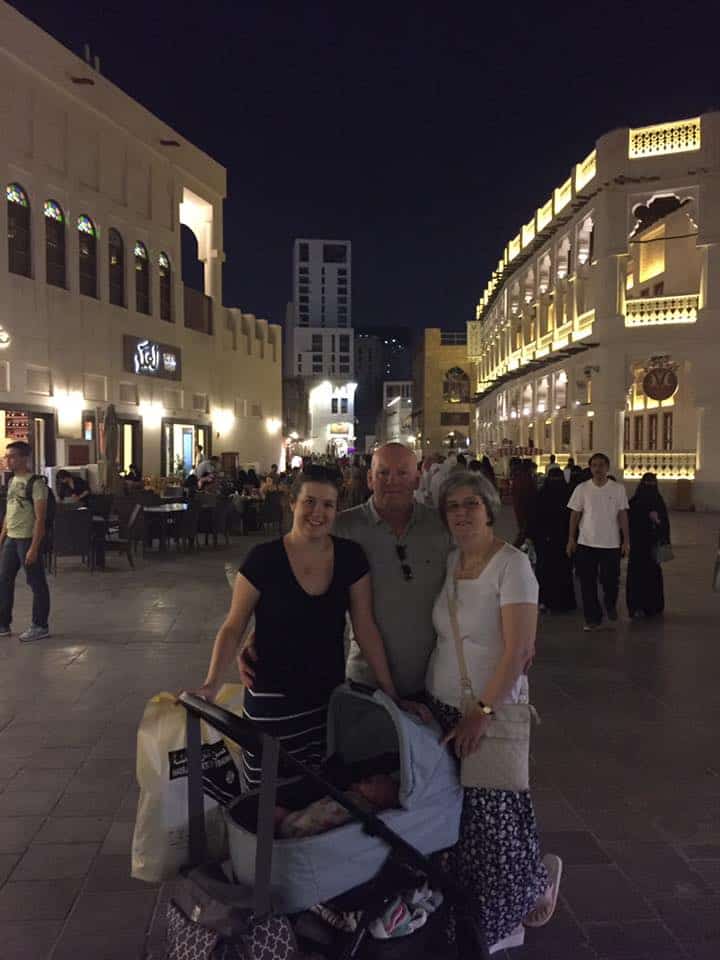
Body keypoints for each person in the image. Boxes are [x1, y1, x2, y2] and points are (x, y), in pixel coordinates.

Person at [190, 465, 425, 789]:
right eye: (310, 502)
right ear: (292, 503)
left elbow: (365, 626)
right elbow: (234, 626)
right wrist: (211, 684)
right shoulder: (264, 559)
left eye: (328, 504)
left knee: (317, 794)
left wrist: (389, 690)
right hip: (271, 701)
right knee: (268, 799)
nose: (318, 512)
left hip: (325, 702)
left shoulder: (350, 557)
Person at [425, 471, 562, 948]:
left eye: (471, 504)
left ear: (489, 509)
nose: (462, 513)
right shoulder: (451, 562)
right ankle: (510, 891)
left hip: (488, 711)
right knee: (467, 823)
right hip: (442, 707)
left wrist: (481, 711)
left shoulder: (512, 565)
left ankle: (506, 918)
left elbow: (520, 650)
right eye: (453, 507)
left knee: (495, 822)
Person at [240, 443, 449, 702]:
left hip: (436, 679)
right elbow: (292, 576)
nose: (392, 481)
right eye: (383, 473)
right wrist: (259, 636)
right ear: (370, 479)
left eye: (402, 473)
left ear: (418, 478)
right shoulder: (342, 527)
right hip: (365, 680)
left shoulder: (442, 527)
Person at [567, 453, 630, 631]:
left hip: (610, 544)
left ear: (607, 467)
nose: (598, 468)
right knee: (587, 583)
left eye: (601, 465)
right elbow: (575, 514)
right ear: (590, 468)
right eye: (594, 465)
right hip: (586, 543)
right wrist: (571, 538)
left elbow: (623, 515)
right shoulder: (582, 489)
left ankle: (609, 605)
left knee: (610, 581)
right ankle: (592, 618)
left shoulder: (618, 489)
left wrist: (626, 540)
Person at [0, 441, 51, 642]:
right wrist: (3, 536)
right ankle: (3, 623)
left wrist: (34, 547)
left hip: (27, 539)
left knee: (36, 582)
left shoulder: (36, 483)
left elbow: (41, 518)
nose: (7, 460)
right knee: (4, 580)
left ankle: (40, 625)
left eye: (11, 456)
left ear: (23, 458)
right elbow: (9, 511)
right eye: (7, 456)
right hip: (11, 539)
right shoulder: (12, 481)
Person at [530, 467, 576, 613]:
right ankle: (563, 602)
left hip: (547, 541)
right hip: (560, 539)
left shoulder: (541, 495)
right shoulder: (568, 494)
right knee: (562, 570)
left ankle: (545, 600)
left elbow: (533, 519)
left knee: (546, 570)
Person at [626, 473, 670, 619]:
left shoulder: (635, 501)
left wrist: (657, 521)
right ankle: (647, 606)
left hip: (644, 546)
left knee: (641, 575)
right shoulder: (653, 501)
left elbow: (664, 523)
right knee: (648, 575)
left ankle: (644, 606)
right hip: (644, 545)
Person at [511, 460, 537, 548]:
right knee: (524, 530)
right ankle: (515, 548)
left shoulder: (518, 476)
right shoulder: (526, 477)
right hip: (525, 507)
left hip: (519, 506)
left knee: (523, 529)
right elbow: (531, 494)